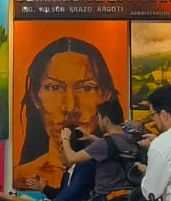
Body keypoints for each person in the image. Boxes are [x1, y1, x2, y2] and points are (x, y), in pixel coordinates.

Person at [15, 37, 118, 192]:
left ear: (105, 95)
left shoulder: (112, 174)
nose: (70, 108)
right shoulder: (21, 177)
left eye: (86, 88)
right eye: (54, 87)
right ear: (36, 98)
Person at [56, 97, 140, 201]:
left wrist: (65, 138)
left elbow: (71, 158)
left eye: (99, 118)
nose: (98, 122)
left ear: (105, 119)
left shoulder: (104, 144)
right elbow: (112, 148)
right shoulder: (129, 139)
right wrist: (91, 137)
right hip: (127, 199)